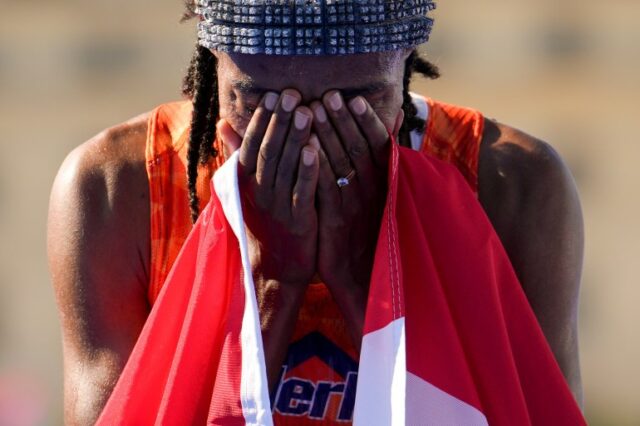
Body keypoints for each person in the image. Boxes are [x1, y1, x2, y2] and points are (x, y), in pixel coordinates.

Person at [47, 1, 585, 424]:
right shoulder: (119, 190)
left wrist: (368, 285)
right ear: (213, 55)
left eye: (356, 103)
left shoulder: (510, 189)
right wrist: (270, 282)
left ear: (403, 65)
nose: (304, 135)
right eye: (259, 103)